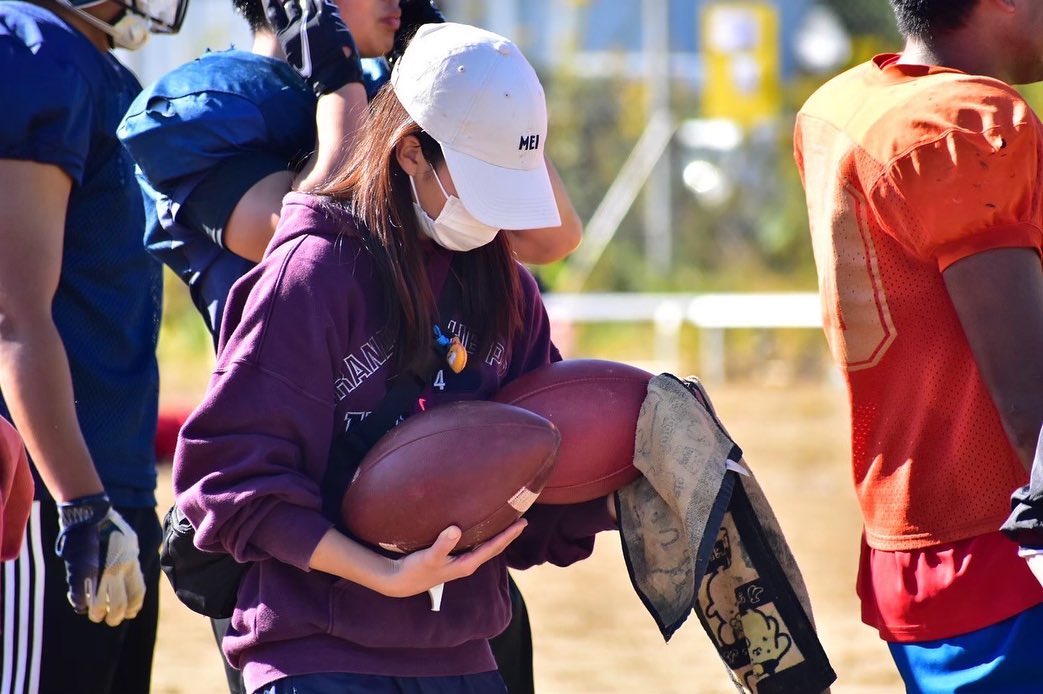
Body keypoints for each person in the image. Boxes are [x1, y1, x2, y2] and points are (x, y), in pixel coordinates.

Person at [119, 3, 579, 692]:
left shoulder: (487, 269)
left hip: (454, 620)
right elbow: (317, 221)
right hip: (308, 596)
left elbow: (545, 237)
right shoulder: (236, 134)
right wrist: (338, 84)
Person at [794, 0, 1043, 690]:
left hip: (914, 532)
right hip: (1007, 542)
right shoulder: (964, 119)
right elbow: (1031, 402)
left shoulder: (842, 103)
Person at [0, 0, 188, 690]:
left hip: (112, 478)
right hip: (44, 493)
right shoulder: (31, 49)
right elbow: (10, 312)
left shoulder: (91, 67)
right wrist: (80, 505)